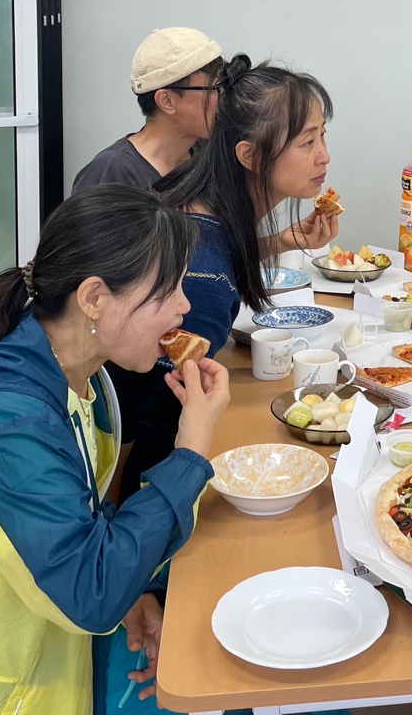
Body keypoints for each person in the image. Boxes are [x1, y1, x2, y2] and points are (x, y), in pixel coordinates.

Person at [0, 185, 231, 714]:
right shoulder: (7, 422)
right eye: (168, 289)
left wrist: (133, 593)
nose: (185, 306)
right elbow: (91, 593)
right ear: (94, 298)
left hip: (41, 630)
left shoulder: (72, 368)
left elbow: (75, 515)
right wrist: (190, 452)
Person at [107, 54, 337, 500]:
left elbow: (224, 251)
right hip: (148, 486)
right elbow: (145, 407)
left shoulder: (198, 205)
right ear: (249, 155)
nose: (324, 155)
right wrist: (118, 505)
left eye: (323, 135)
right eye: (308, 141)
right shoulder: (201, 280)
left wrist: (280, 240)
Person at [73, 27, 225, 190]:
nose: (224, 96)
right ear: (167, 101)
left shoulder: (207, 153)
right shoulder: (111, 174)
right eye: (215, 88)